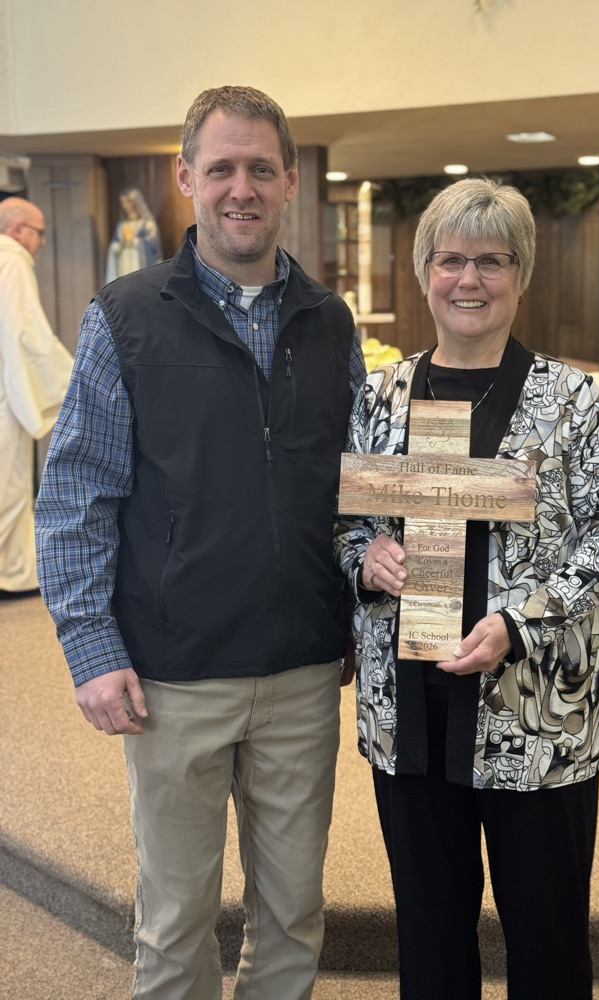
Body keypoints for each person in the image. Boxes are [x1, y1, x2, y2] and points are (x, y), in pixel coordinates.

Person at [36, 85, 365, 1000]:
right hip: (173, 677)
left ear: (290, 180)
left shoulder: (331, 323)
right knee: (177, 919)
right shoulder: (125, 316)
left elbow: (352, 493)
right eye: (220, 167)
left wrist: (362, 609)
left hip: (302, 674)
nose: (240, 187)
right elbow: (74, 495)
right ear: (187, 178)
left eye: (261, 167)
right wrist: (90, 647)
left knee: (294, 914)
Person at [334, 177, 599, 1000]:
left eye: (491, 261)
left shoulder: (570, 400)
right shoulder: (380, 395)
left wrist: (520, 620)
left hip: (534, 719)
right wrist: (365, 558)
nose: (468, 280)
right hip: (409, 717)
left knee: (546, 944)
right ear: (422, 271)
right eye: (450, 260)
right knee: (430, 944)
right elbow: (343, 521)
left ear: (521, 274)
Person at [0, 196, 72, 597]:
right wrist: (72, 378)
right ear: (16, 230)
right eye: (38, 232)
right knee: (6, 481)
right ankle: (9, 574)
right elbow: (24, 331)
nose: (42, 242)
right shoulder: (10, 261)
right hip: (4, 393)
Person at [104, 186, 163, 283]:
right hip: (124, 264)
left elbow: (154, 246)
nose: (125, 205)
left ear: (135, 202)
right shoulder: (122, 225)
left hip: (139, 264)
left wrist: (135, 241)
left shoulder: (147, 224)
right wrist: (120, 244)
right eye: (122, 202)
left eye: (128, 202)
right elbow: (114, 246)